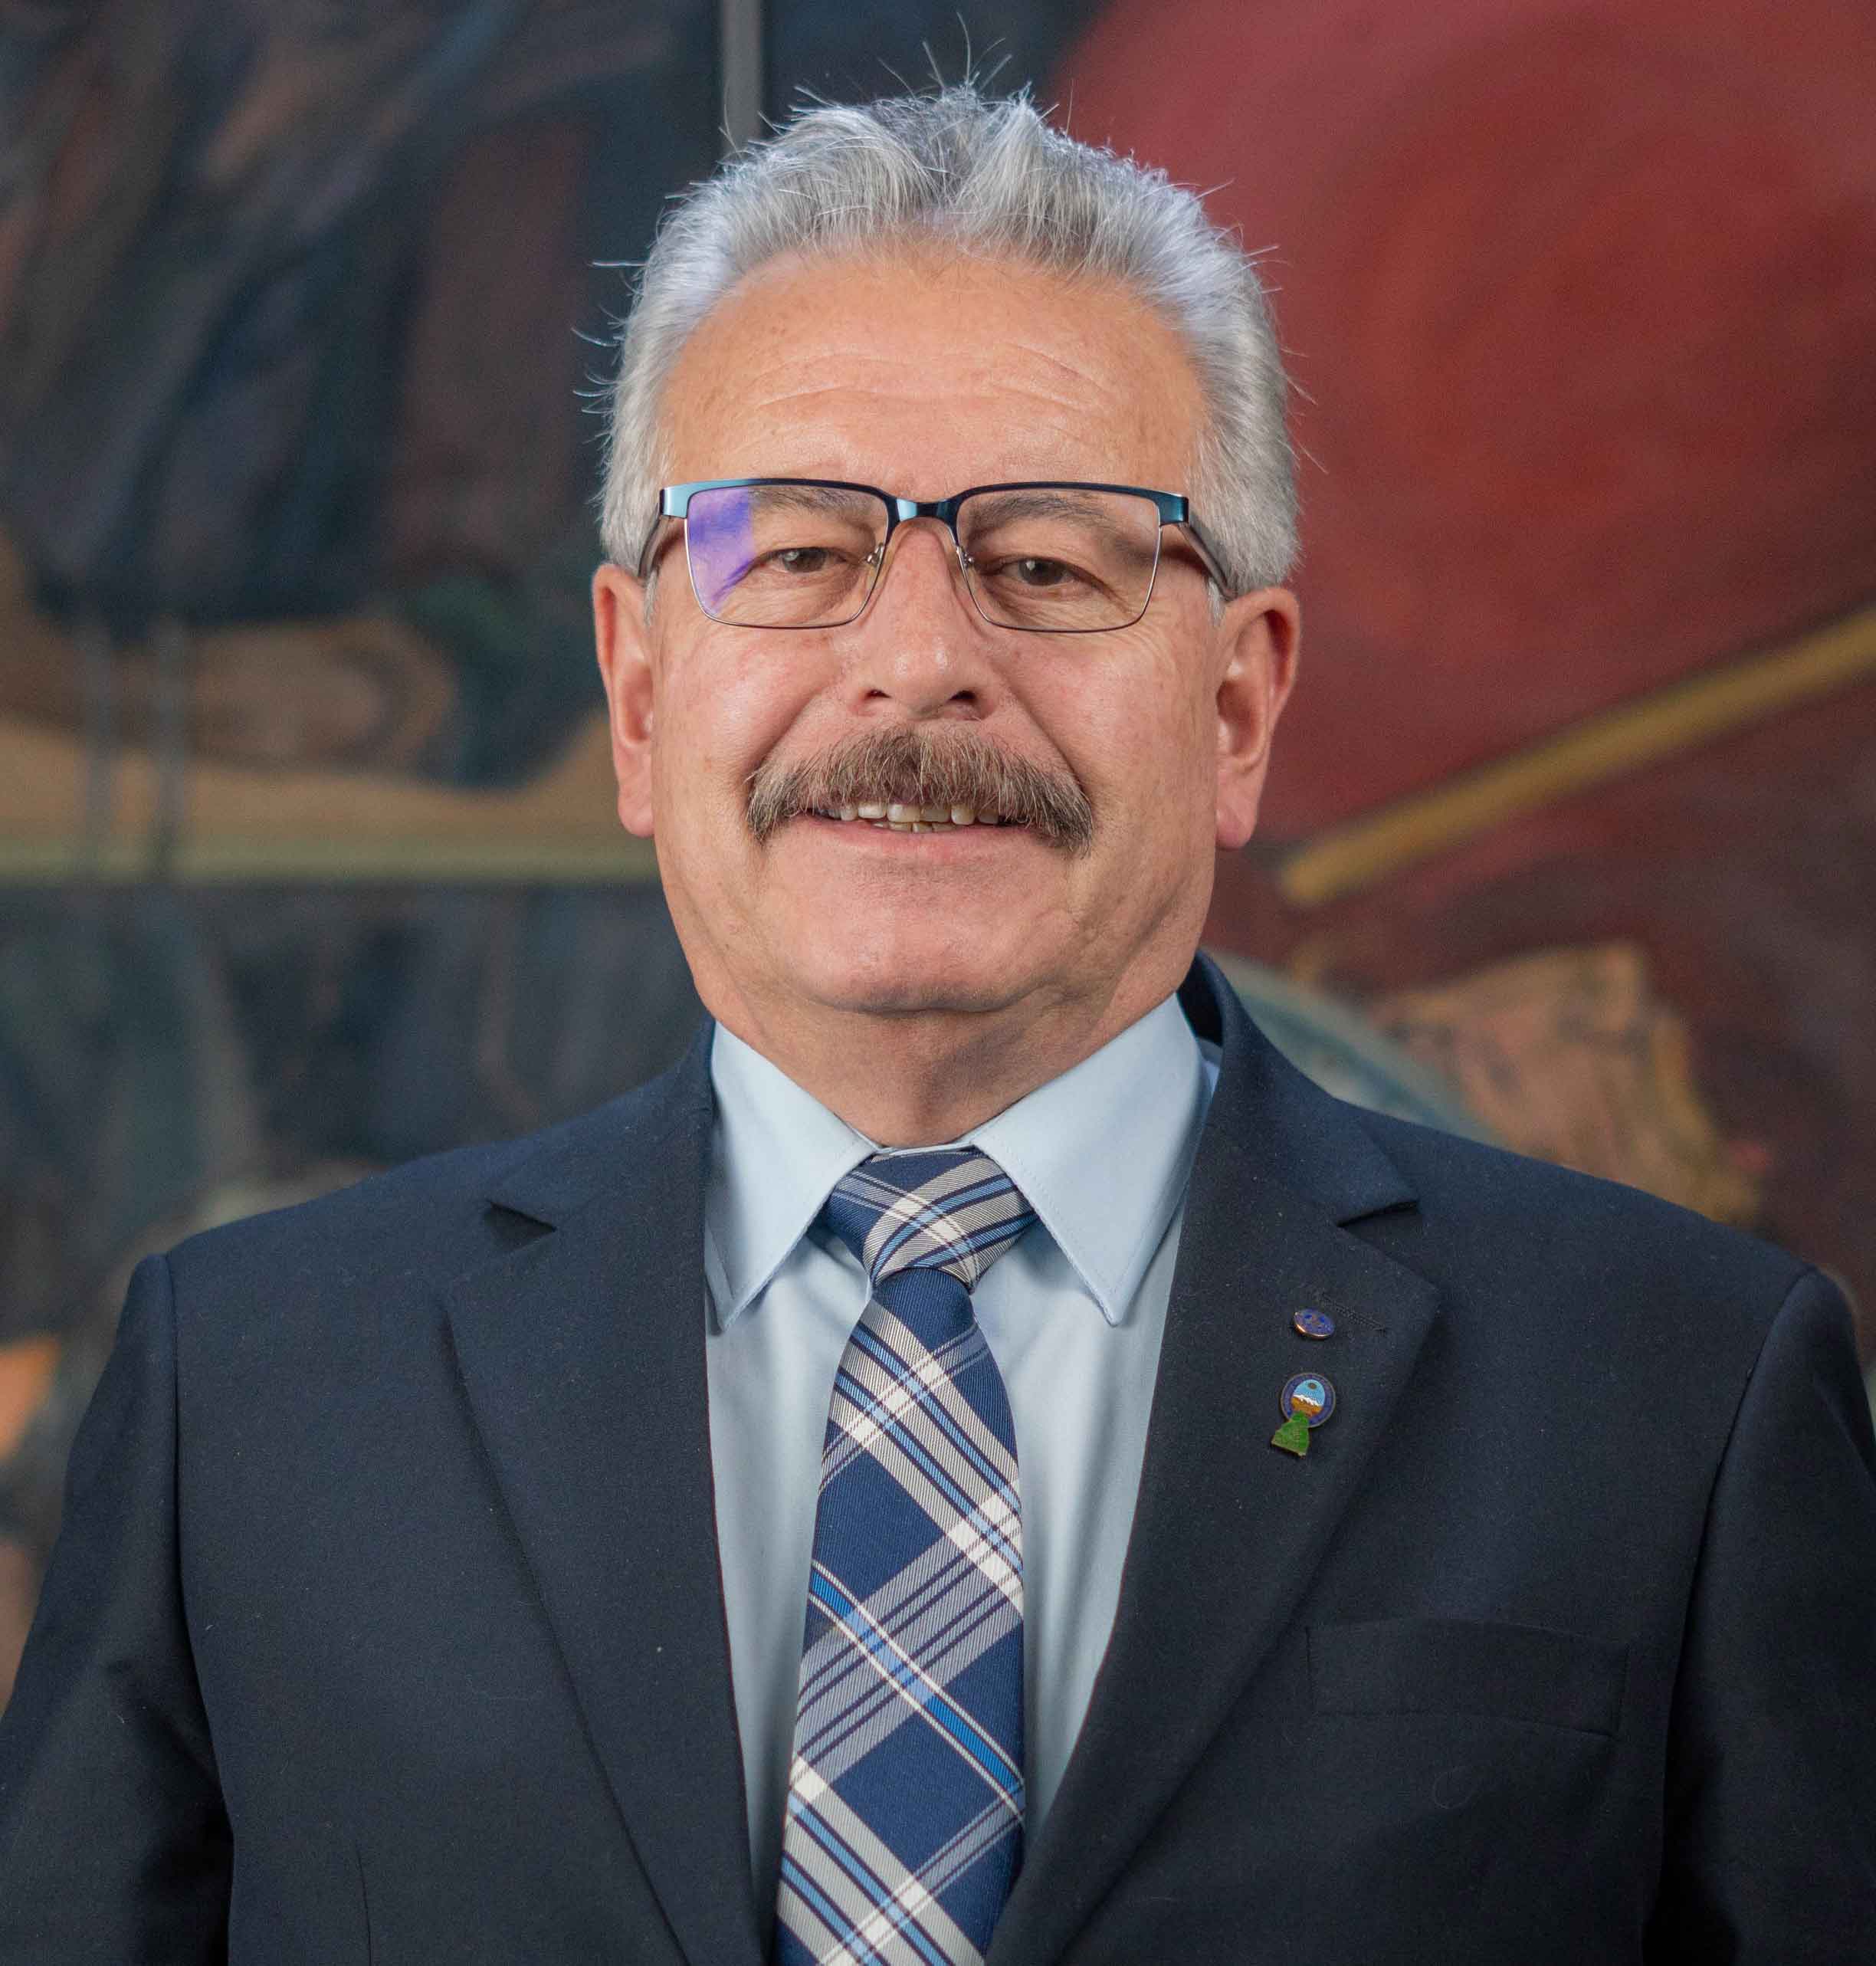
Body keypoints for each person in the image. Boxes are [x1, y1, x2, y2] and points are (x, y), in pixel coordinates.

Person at [2, 83, 1872, 1966]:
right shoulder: (251, 1388)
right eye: (797, 554)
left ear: (1238, 707)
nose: (916, 661)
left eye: (1050, 562)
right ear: (639, 697)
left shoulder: (1683, 1392)